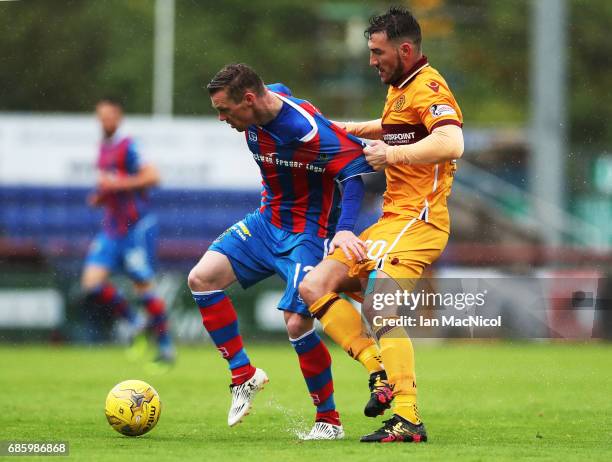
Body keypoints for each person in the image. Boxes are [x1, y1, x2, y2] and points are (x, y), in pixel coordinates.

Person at [299, 7, 464, 443]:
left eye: (378, 51)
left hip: (418, 222)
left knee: (380, 307)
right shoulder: (401, 87)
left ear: (405, 49)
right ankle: (378, 371)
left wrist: (389, 156)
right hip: (391, 221)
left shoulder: (429, 87)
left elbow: (452, 142)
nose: (372, 60)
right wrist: (345, 130)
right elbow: (397, 129)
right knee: (315, 286)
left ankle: (408, 416)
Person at [187, 63, 376, 439]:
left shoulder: (304, 131)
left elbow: (355, 168)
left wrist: (343, 231)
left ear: (250, 99)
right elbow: (283, 88)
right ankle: (243, 375)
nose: (222, 118)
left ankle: (329, 421)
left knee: (296, 322)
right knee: (201, 279)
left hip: (306, 232)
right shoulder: (268, 97)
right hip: (265, 221)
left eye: (225, 110)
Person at [81, 98, 175, 364]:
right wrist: (100, 197)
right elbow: (108, 186)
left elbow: (154, 177)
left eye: (109, 116)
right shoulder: (102, 149)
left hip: (136, 227)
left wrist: (119, 184)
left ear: (118, 118)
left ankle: (166, 346)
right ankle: (134, 321)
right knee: (91, 284)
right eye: (101, 116)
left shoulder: (129, 146)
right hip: (111, 228)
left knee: (144, 287)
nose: (105, 121)